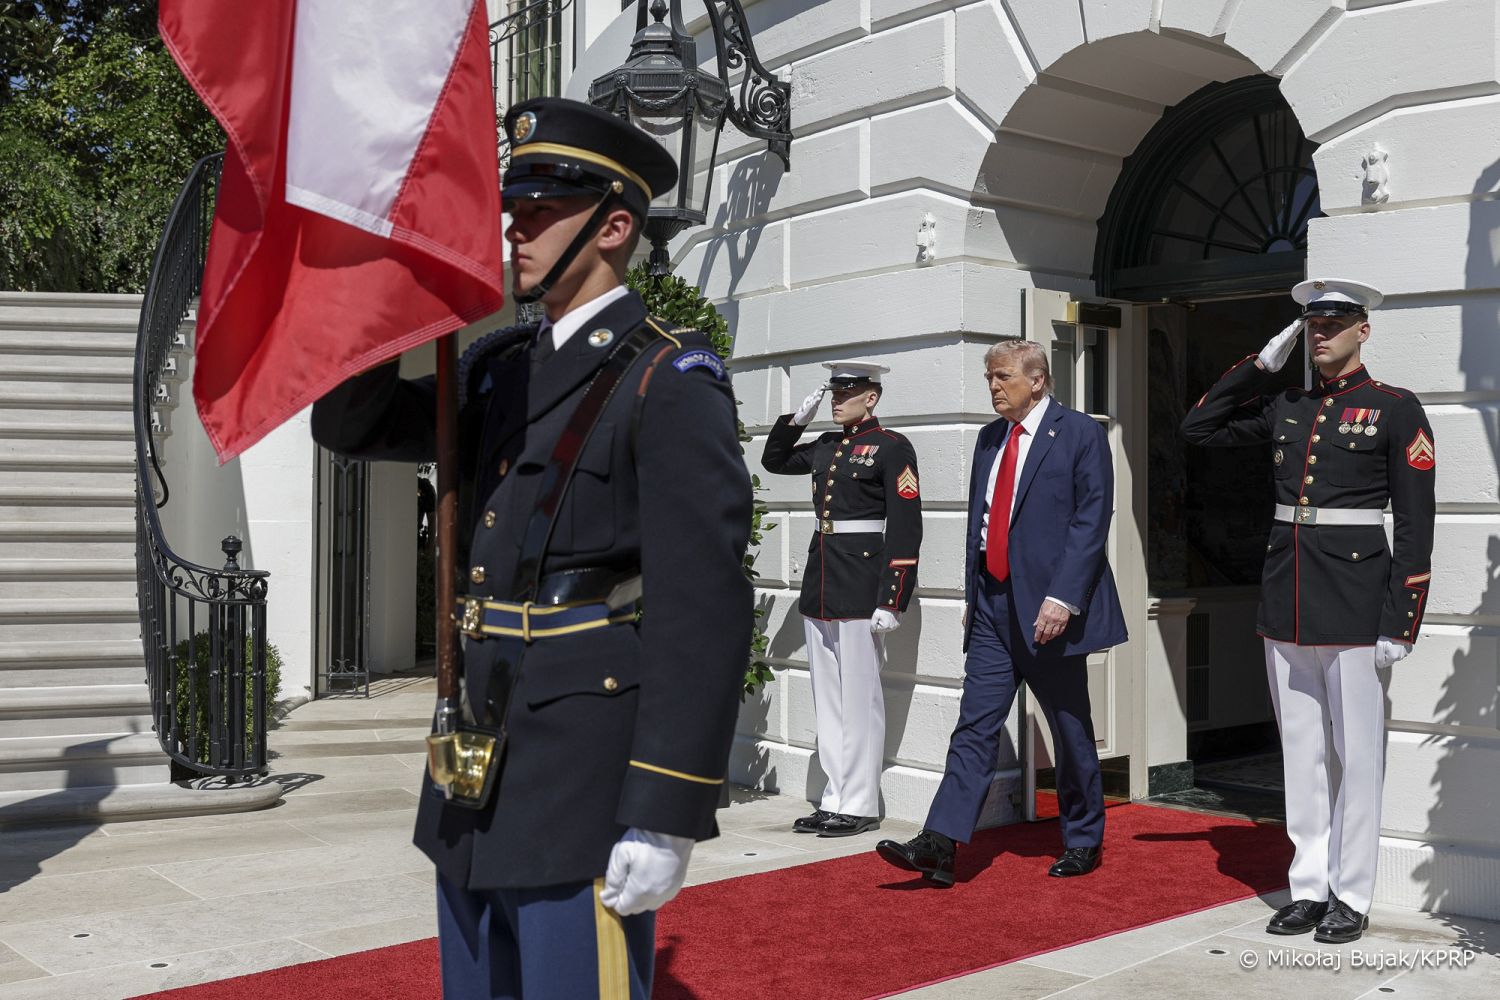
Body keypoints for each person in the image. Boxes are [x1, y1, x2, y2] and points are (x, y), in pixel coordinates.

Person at [310, 97, 753, 998]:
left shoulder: (668, 379)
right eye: (512, 207)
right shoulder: (499, 371)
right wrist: (393, 286)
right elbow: (352, 425)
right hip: (475, 755)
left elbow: (702, 609)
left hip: (581, 775)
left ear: (613, 227)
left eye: (541, 211)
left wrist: (666, 809)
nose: (514, 228)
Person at [1181, 278, 1435, 944]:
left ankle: (1351, 893)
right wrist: (1257, 367)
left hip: (1356, 601)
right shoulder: (1287, 405)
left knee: (1357, 756)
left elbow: (1416, 523)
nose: (1320, 335)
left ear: (1362, 330)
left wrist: (1402, 619)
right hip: (1286, 596)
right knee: (1301, 754)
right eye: (1312, 326)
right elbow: (1198, 427)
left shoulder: (1394, 409)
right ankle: (1309, 887)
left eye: (1333, 324)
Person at [875, 340, 1127, 886]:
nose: (993, 385)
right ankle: (940, 843)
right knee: (974, 725)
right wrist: (974, 597)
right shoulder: (990, 438)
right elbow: (983, 523)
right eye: (989, 376)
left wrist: (1064, 598)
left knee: (1070, 730)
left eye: (1003, 376)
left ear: (1037, 380)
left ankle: (1083, 838)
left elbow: (1091, 520)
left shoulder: (1079, 433)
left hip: (1051, 610)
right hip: (993, 606)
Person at [761, 363, 923, 837]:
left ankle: (860, 802)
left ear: (870, 397)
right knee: (828, 700)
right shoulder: (827, 444)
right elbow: (774, 460)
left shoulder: (891, 447)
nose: (836, 400)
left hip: (862, 582)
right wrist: (796, 421)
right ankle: (835, 796)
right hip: (823, 581)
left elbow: (906, 526)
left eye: (846, 393)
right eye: (833, 393)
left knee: (859, 698)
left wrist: (893, 598)